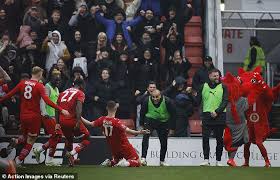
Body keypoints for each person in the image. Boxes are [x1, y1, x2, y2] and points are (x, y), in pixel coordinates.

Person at [0, 66, 69, 166]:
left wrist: (0, 100)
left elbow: (10, 94)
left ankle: (16, 141)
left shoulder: (22, 83)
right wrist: (61, 109)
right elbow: (47, 101)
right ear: (40, 74)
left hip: (23, 116)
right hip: (34, 117)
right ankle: (18, 161)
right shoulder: (39, 86)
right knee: (31, 140)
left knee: (24, 136)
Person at [82, 100, 150, 167]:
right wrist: (140, 132)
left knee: (116, 161)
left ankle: (110, 162)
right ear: (116, 108)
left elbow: (90, 124)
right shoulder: (116, 122)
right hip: (124, 146)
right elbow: (129, 131)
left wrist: (79, 117)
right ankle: (125, 163)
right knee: (138, 163)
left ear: (106, 108)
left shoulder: (102, 119)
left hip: (113, 147)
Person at [194, 68, 228, 166]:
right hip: (207, 115)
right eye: (214, 76)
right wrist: (192, 95)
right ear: (209, 76)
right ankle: (206, 160)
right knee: (205, 138)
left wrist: (217, 112)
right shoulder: (203, 86)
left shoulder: (224, 87)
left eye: (218, 75)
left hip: (220, 115)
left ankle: (218, 161)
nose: (217, 77)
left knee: (219, 139)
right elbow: (197, 102)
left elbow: (225, 101)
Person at [56, 77, 90, 167]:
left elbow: (57, 108)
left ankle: (71, 162)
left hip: (62, 121)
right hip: (72, 120)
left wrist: (57, 123)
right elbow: (79, 107)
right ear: (81, 85)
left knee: (69, 139)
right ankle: (73, 153)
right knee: (86, 138)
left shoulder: (62, 93)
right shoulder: (80, 93)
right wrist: (78, 122)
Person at [33, 72, 62, 166]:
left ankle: (40, 150)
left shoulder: (56, 89)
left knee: (56, 136)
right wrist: (44, 112)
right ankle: (49, 159)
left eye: (59, 81)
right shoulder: (47, 87)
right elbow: (43, 100)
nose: (58, 82)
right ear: (52, 80)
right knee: (57, 134)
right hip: (47, 115)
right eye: (56, 81)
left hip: (54, 116)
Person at [140, 89, 176, 166]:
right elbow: (142, 112)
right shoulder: (146, 101)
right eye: (153, 97)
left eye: (157, 97)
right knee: (145, 137)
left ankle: (162, 161)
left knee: (163, 142)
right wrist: (142, 124)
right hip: (150, 120)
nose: (155, 99)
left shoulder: (168, 101)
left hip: (163, 122)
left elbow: (174, 115)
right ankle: (143, 158)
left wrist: (172, 128)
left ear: (161, 95)